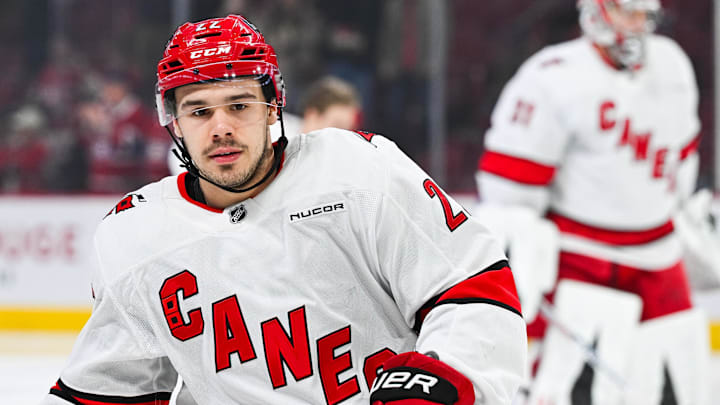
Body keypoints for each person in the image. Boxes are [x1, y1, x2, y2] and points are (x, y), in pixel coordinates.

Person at [42, 14, 526, 405]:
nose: (221, 128)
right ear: (174, 123)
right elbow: (108, 389)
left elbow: (472, 286)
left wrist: (439, 380)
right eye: (200, 110)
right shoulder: (134, 237)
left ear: (274, 106)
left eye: (239, 105)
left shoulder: (358, 170)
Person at [474, 1, 710, 404]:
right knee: (559, 388)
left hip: (658, 256)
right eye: (625, 11)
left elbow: (682, 159)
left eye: (643, 14)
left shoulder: (673, 66)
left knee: (685, 386)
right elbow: (510, 189)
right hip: (579, 258)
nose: (636, 25)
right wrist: (519, 240)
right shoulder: (551, 76)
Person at [167, 75, 359, 176]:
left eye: (348, 127)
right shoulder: (269, 129)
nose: (343, 134)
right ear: (313, 115)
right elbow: (180, 151)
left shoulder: (333, 159)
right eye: (337, 124)